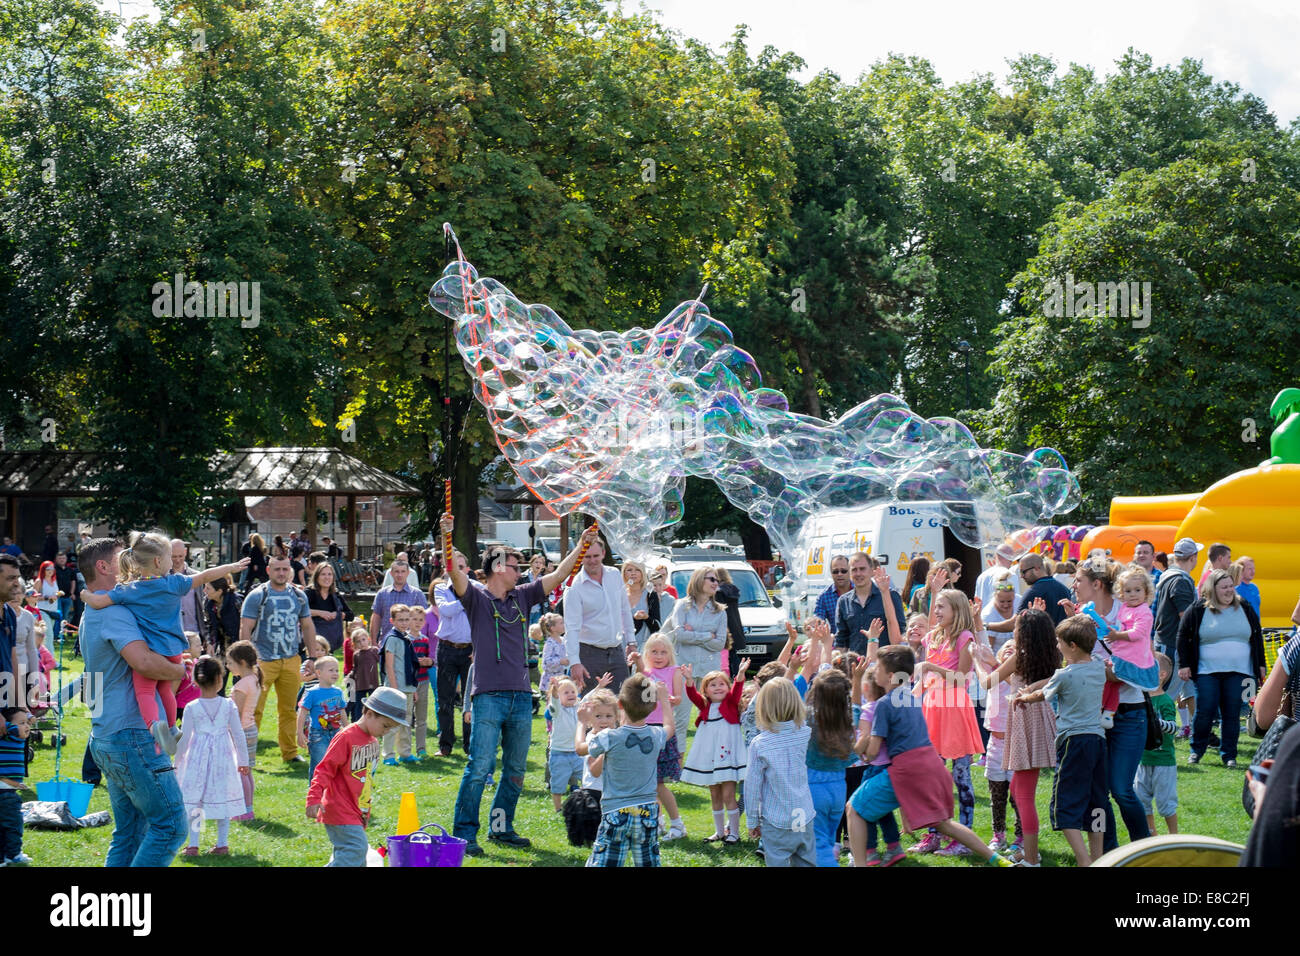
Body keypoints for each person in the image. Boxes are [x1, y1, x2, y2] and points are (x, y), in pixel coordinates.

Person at [441, 511, 596, 856]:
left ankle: (501, 827)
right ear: (497, 567)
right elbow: (453, 571)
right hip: (488, 698)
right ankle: (465, 834)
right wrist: (446, 536)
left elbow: (558, 575)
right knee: (480, 767)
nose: (520, 570)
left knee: (514, 768)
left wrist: (581, 546)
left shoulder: (522, 596)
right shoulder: (477, 598)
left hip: (521, 697)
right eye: (515, 565)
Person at [81, 532, 248, 755]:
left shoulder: (128, 590)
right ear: (158, 561)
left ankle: (153, 726)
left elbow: (99, 601)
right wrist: (231, 566)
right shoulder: (174, 583)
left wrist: (85, 596)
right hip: (174, 649)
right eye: (170, 557)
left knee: (145, 692)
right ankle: (171, 727)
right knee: (166, 691)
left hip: (153, 650)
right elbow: (205, 575)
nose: (174, 562)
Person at [846, 644, 1012, 867]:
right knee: (943, 823)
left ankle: (859, 863)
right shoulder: (912, 697)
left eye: (878, 669)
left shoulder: (885, 704)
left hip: (907, 770)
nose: (875, 672)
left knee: (854, 808)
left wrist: (857, 749)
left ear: (891, 676)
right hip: (931, 765)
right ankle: (997, 859)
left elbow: (873, 750)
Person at [79, 537, 190, 866]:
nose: (132, 561)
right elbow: (142, 662)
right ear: (104, 567)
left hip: (108, 735)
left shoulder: (93, 610)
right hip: (132, 735)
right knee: (171, 826)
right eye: (123, 557)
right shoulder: (113, 611)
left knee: (129, 832)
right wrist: (179, 667)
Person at [1061, 556, 1151, 851]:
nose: (1073, 585)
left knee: (1121, 788)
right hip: (1094, 716)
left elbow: (1132, 667)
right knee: (1098, 793)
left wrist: (1105, 671)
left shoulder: (1129, 610)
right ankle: (1110, 852)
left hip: (1129, 713)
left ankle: (1142, 847)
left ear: (1096, 584)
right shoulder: (1083, 616)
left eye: (1078, 580)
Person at [1013, 615, 1107, 867]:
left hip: (1073, 743)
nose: (1056, 646)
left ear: (1072, 646)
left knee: (1063, 806)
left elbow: (1043, 693)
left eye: (1059, 642)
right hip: (1098, 743)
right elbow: (1056, 677)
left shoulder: (1064, 677)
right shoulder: (1099, 666)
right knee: (1097, 803)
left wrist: (1024, 697)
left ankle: (1084, 861)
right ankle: (1098, 859)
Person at [975, 607, 1059, 866]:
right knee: (1018, 788)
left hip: (1024, 719)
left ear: (1025, 634)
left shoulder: (1021, 656)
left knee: (1023, 796)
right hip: (1038, 717)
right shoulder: (1050, 654)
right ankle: (1029, 851)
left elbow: (988, 682)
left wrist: (978, 660)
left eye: (1016, 627)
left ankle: (1031, 859)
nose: (1013, 630)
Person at [575, 672, 675, 867]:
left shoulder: (610, 737)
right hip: (647, 811)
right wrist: (664, 700)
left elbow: (580, 749)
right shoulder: (656, 735)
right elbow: (669, 726)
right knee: (648, 862)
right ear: (653, 707)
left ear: (619, 704)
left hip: (616, 811)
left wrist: (581, 723)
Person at [913, 587, 984, 854]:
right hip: (933, 708)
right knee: (933, 776)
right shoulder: (932, 638)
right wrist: (911, 700)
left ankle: (963, 839)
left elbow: (963, 678)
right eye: (936, 606)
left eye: (942, 607)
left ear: (957, 610)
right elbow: (926, 679)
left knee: (961, 775)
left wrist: (931, 667)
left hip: (954, 709)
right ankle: (934, 834)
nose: (937, 611)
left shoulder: (965, 638)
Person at [305, 686, 405, 867]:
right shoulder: (346, 737)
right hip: (338, 808)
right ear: (369, 713)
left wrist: (365, 810)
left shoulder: (373, 742)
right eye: (385, 725)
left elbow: (365, 781)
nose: (387, 731)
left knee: (356, 859)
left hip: (355, 811)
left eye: (391, 728)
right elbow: (324, 769)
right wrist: (314, 797)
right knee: (356, 850)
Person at [1177, 568, 1267, 767]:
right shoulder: (1199, 608)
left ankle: (1229, 755)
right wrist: (1184, 664)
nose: (1228, 591)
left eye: (1230, 587)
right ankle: (1196, 750)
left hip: (1239, 670)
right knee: (1205, 709)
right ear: (1213, 588)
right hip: (1206, 670)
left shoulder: (1244, 606)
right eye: (1224, 587)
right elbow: (1183, 636)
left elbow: (1256, 636)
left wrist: (1260, 664)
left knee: (1232, 712)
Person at [238, 553, 319, 764]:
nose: (281, 573)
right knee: (253, 710)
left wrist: (312, 656)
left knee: (289, 710)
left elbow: (308, 626)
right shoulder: (257, 595)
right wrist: (247, 662)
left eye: (285, 569)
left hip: (291, 659)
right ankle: (246, 755)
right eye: (277, 569)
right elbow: (245, 627)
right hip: (262, 661)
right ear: (268, 570)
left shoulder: (299, 596)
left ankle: (290, 753)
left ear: (290, 570)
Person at [177, 657, 249, 856]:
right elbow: (238, 734)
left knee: (196, 801)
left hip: (197, 760)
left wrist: (177, 761)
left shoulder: (191, 707)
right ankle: (222, 843)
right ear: (220, 679)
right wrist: (243, 761)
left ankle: (193, 844)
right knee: (222, 797)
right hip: (222, 759)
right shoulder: (228, 705)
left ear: (195, 681)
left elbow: (184, 738)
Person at [746, 677, 815, 867]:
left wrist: (752, 820)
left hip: (777, 818)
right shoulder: (804, 733)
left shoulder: (760, 744)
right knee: (805, 860)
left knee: (777, 861)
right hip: (804, 812)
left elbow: (752, 787)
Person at [659, 568, 729, 753]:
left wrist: (693, 634)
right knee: (680, 718)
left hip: (709, 670)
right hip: (683, 669)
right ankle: (677, 762)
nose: (716, 583)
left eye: (718, 580)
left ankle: (709, 761)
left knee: (710, 716)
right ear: (699, 580)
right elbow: (680, 635)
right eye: (712, 579)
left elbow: (720, 643)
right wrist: (707, 635)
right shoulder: (682, 605)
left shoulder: (720, 612)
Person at [681, 659, 750, 842]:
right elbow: (693, 696)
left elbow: (737, 691)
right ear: (706, 690)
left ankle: (734, 832)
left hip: (728, 757)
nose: (718, 687)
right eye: (713, 685)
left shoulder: (731, 703)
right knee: (714, 794)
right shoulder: (705, 706)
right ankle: (719, 832)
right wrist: (689, 680)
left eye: (722, 684)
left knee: (729, 794)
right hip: (710, 757)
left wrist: (741, 675)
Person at [627, 633, 687, 840]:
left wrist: (668, 698)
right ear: (647, 653)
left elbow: (678, 699)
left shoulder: (674, 672)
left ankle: (677, 824)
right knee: (648, 782)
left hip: (663, 729)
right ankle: (658, 821)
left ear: (670, 654)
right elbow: (640, 674)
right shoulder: (646, 673)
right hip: (645, 728)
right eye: (654, 652)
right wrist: (636, 660)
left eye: (663, 652)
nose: (659, 656)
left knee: (658, 782)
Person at [564, 537, 636, 695]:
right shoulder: (574, 587)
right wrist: (574, 662)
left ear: (603, 554)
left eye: (596, 556)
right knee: (591, 709)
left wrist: (631, 641)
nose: (592, 561)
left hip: (616, 651)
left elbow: (624, 609)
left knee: (621, 706)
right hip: (589, 655)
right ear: (581, 557)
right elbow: (572, 628)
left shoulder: (615, 575)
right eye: (587, 557)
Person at [803, 667, 856, 867]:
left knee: (818, 844)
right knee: (827, 838)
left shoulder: (809, 717)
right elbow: (852, 756)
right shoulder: (847, 718)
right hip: (838, 789)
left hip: (814, 787)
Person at [852, 661, 903, 866]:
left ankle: (870, 851)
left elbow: (865, 738)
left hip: (874, 766)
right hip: (890, 765)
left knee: (863, 810)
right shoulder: (890, 706)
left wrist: (859, 752)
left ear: (866, 688)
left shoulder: (867, 710)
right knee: (882, 809)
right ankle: (894, 846)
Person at [1095, 566, 1158, 729]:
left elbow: (1138, 633)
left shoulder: (1144, 611)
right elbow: (1120, 627)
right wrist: (1106, 624)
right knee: (1110, 683)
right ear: (1122, 594)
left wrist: (1117, 636)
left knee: (1112, 681)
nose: (1133, 594)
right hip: (1121, 653)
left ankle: (1106, 711)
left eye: (1137, 590)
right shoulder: (1125, 608)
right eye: (1128, 591)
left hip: (1133, 658)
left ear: (1146, 592)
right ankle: (1107, 712)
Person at [1155, 537, 1202, 737]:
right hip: (1173, 645)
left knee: (1189, 690)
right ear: (1193, 557)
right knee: (1166, 694)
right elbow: (1186, 618)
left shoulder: (1169, 576)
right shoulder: (1181, 581)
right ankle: (1156, 733)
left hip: (1169, 642)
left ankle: (1199, 732)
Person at [433, 549, 473, 758]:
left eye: (460, 567)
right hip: (447, 648)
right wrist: (466, 599)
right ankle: (446, 744)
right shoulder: (441, 588)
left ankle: (470, 745)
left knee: (470, 700)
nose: (456, 572)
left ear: (466, 569)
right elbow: (446, 610)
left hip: (470, 651)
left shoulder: (478, 587)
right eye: (452, 568)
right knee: (445, 699)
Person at [1135, 652, 1179, 836]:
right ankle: (1151, 835)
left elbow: (1174, 728)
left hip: (1163, 762)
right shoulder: (1138, 699)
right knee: (1141, 800)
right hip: (1142, 760)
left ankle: (1173, 835)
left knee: (1166, 802)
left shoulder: (1165, 701)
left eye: (1148, 666)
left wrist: (1155, 723)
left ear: (1161, 674)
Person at [834, 553, 905, 654]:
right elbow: (841, 640)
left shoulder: (890, 596)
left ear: (872, 571)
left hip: (884, 663)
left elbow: (901, 632)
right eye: (854, 570)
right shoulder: (843, 601)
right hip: (856, 664)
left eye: (862, 569)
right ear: (849, 573)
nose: (858, 573)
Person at [225, 641, 261, 820]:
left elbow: (236, 713)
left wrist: (230, 733)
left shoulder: (241, 685)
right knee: (247, 770)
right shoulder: (254, 679)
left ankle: (245, 810)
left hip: (240, 731)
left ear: (242, 663)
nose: (228, 666)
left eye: (230, 663)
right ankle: (248, 807)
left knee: (241, 771)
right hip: (250, 729)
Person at [379, 605, 420, 765]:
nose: (404, 623)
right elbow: (389, 666)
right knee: (392, 721)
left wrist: (413, 688)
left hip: (408, 688)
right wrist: (395, 688)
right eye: (400, 620)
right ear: (392, 621)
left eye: (406, 619)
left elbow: (410, 666)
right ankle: (388, 755)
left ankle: (405, 753)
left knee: (406, 722)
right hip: (395, 688)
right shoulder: (392, 639)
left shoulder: (406, 638)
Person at [298, 655, 347, 781]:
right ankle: (314, 795)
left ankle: (330, 793)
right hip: (318, 735)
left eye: (337, 670)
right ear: (318, 673)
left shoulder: (338, 692)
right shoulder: (312, 693)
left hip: (336, 733)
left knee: (336, 764)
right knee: (318, 765)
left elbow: (342, 711)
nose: (335, 673)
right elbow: (302, 713)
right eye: (331, 670)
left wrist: (347, 729)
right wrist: (299, 733)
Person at [546, 677, 584, 812]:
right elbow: (555, 701)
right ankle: (558, 808)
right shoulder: (556, 710)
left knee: (587, 778)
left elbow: (588, 699)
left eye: (572, 691)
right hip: (559, 754)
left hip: (578, 752)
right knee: (558, 784)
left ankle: (588, 803)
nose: (571, 695)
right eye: (566, 693)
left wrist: (599, 686)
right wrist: (555, 690)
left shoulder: (578, 707)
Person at [0, 706, 32, 865]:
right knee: (14, 825)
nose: (27, 726)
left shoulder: (10, 737)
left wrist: (27, 717)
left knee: (2, 826)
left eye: (27, 723)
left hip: (6, 790)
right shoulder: (10, 735)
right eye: (22, 723)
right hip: (8, 794)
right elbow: (12, 728)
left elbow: (26, 723)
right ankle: (13, 854)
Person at [168, 540, 209, 651]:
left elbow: (203, 607)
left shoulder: (196, 577)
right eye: (174, 556)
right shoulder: (163, 578)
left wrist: (206, 636)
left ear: (186, 552)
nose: (177, 560)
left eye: (180, 556)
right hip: (173, 636)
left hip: (195, 635)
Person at [307, 562, 353, 653]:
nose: (327, 577)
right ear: (317, 577)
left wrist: (337, 614)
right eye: (323, 574)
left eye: (329, 574)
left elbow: (350, 615)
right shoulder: (309, 592)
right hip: (312, 641)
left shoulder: (335, 595)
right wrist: (320, 613)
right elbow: (299, 610)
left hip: (328, 642)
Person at [1016, 553, 1072, 624]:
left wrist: (996, 626)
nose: (1021, 576)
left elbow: (1016, 622)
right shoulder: (1064, 589)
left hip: (1042, 635)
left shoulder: (1034, 592)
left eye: (1023, 572)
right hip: (1061, 634)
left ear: (1036, 568)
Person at [622, 561, 660, 648]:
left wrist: (646, 618)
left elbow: (657, 627)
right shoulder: (619, 594)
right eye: (629, 570)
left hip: (644, 648)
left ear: (642, 573)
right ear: (624, 573)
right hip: (621, 646)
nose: (633, 573)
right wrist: (634, 618)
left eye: (637, 570)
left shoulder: (650, 594)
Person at [203, 576, 242, 659]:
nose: (204, 591)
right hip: (222, 646)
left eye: (208, 588)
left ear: (219, 591)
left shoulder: (236, 601)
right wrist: (210, 643)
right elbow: (210, 625)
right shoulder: (208, 603)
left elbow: (246, 624)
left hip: (238, 643)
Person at [348, 628, 380, 722]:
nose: (361, 643)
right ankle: (359, 722)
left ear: (368, 639)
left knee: (373, 704)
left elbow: (381, 663)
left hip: (372, 683)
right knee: (359, 705)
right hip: (360, 684)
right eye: (358, 641)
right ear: (354, 644)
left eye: (363, 640)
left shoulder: (374, 651)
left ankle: (373, 721)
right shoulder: (356, 655)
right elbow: (355, 668)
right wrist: (350, 677)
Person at [974, 544, 1021, 610]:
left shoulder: (982, 576)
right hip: (1002, 618)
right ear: (1011, 558)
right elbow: (1015, 603)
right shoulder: (1010, 575)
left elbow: (977, 602)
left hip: (983, 618)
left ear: (995, 556)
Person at [33, 560, 63, 645]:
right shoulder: (39, 581)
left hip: (53, 611)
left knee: (47, 636)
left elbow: (54, 595)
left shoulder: (54, 581)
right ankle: (50, 658)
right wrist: (47, 598)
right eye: (48, 569)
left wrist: (58, 594)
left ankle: (43, 656)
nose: (50, 571)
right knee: (49, 635)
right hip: (42, 611)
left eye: (52, 568)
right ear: (43, 570)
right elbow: (33, 597)